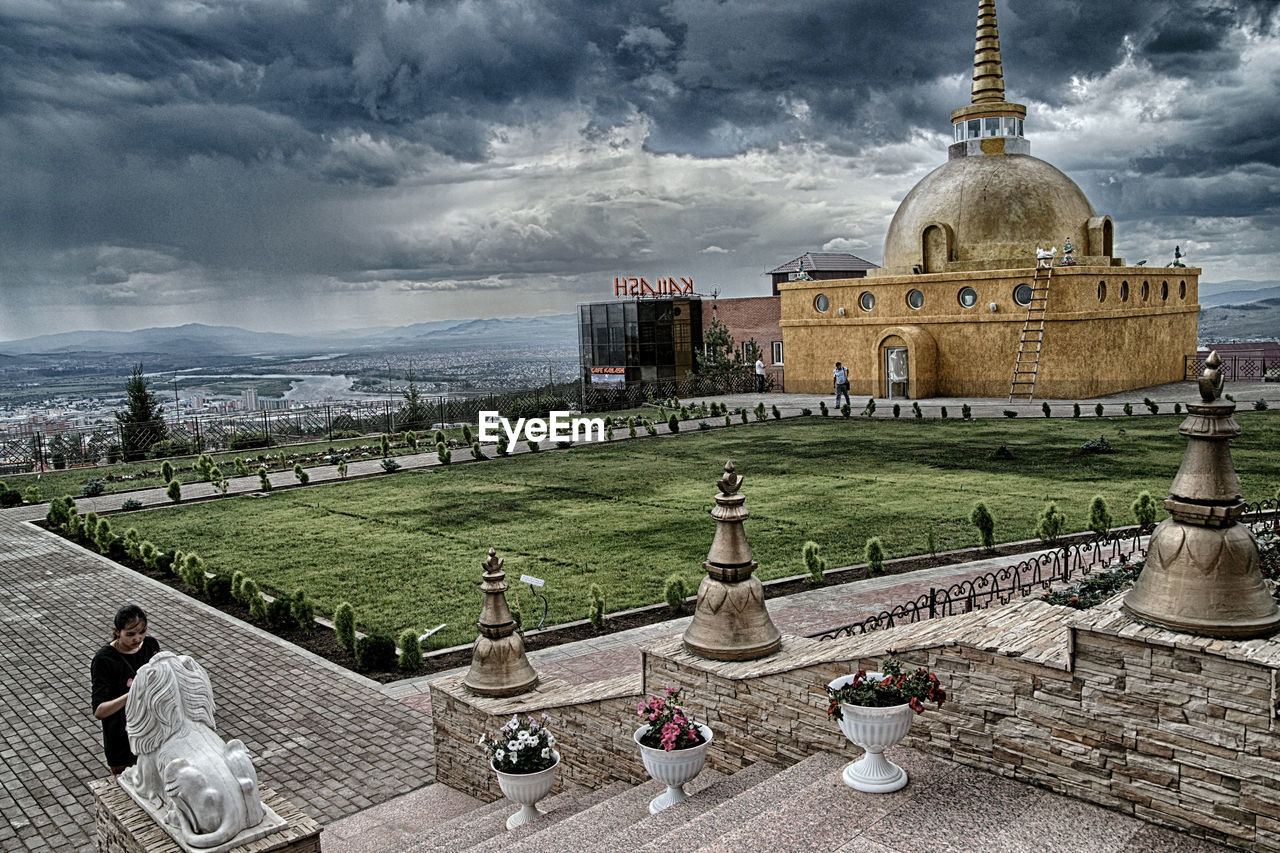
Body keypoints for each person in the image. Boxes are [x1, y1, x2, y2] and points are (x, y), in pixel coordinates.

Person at [91, 604, 160, 774]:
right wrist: (132, 694)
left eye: (142, 632)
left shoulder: (150, 645)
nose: (138, 639)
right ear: (117, 631)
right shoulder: (104, 660)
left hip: (153, 736)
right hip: (122, 742)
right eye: (130, 634)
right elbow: (99, 711)